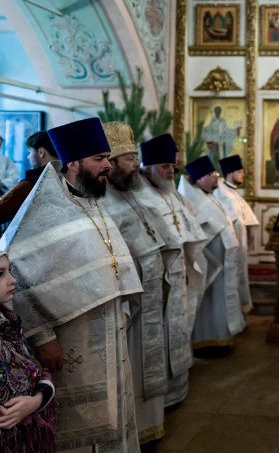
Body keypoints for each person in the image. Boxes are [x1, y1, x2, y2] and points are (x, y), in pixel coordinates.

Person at [2, 117, 142, 451]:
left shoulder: (94, 201)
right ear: (73, 162)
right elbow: (18, 275)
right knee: (80, 428)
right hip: (68, 340)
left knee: (114, 415)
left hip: (108, 333)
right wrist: (43, 336)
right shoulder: (43, 210)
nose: (107, 164)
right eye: (99, 158)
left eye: (108, 157)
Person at [102, 122, 169, 444]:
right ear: (111, 164)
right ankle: (134, 430)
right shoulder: (103, 201)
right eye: (129, 159)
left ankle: (150, 426)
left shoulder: (132, 193)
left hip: (150, 295)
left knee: (147, 359)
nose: (136, 165)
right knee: (132, 363)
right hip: (130, 300)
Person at [140, 134, 207, 406]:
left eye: (173, 166)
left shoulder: (172, 195)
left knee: (178, 330)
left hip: (179, 275)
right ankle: (161, 399)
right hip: (158, 281)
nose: (172, 171)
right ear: (148, 167)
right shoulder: (142, 198)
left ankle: (177, 389)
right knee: (161, 336)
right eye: (165, 166)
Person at [179, 155, 246, 352]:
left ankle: (221, 337)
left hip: (222, 263)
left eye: (215, 173)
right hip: (208, 263)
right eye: (210, 174)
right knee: (208, 301)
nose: (216, 177)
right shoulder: (194, 201)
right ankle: (205, 341)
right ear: (198, 179)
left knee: (220, 299)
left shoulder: (210, 197)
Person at [0, 251, 56, 452]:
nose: (12, 280)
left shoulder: (10, 322)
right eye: (1, 274)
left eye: (10, 271)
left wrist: (35, 401)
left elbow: (37, 372)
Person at [215, 154, 259, 314]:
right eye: (239, 171)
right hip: (229, 248)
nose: (243, 174)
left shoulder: (234, 194)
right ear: (230, 172)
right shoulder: (220, 193)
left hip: (240, 245)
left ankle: (240, 313)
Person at [0, 131, 58, 225]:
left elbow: (2, 210)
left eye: (30, 152)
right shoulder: (68, 176)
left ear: (41, 152)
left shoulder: (30, 185)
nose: (28, 157)